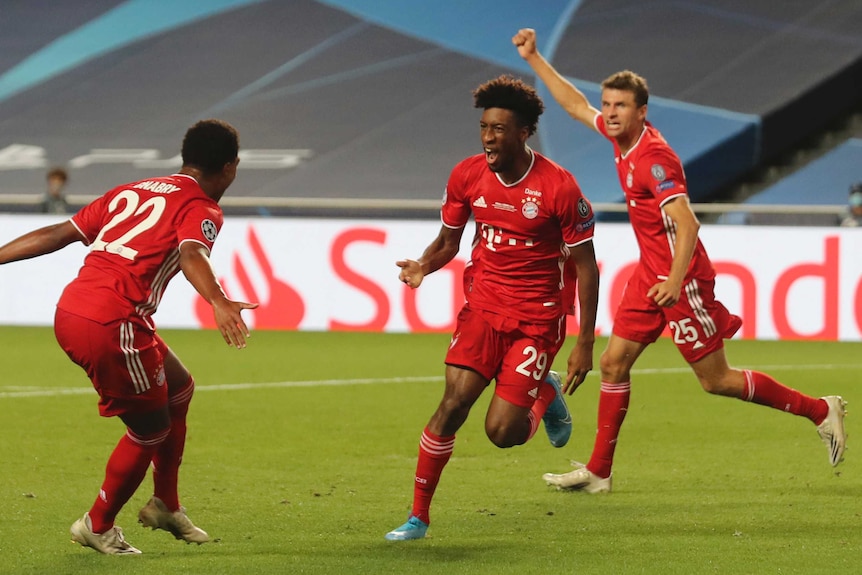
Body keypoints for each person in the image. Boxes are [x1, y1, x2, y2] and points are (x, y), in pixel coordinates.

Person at [513, 28, 847, 493]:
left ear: (641, 111)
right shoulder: (621, 140)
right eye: (607, 104)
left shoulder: (654, 159)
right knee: (613, 364)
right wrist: (534, 59)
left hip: (681, 279)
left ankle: (820, 410)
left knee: (717, 380)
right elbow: (573, 105)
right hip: (651, 274)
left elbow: (688, 225)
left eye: (619, 106)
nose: (608, 113)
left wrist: (674, 281)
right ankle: (599, 472)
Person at [0, 119, 258, 554]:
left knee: (179, 387)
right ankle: (97, 525)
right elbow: (192, 251)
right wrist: (218, 299)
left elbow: (59, 233)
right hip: (113, 322)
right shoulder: (202, 207)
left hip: (72, 309)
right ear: (231, 167)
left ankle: (165, 503)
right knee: (149, 430)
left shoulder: (132, 191)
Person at [384, 75, 600, 541]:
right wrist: (424, 265)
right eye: (484, 127)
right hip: (483, 308)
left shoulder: (559, 188)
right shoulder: (467, 174)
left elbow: (586, 268)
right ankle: (418, 517)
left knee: (502, 433)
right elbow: (448, 241)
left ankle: (546, 393)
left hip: (537, 319)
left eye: (499, 129)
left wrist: (584, 342)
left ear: (523, 132)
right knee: (451, 405)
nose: (487, 138)